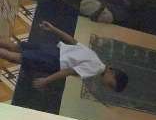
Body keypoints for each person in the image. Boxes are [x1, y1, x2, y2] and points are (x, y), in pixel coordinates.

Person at [0, 21, 128, 93]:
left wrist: (53, 28)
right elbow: (68, 71)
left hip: (53, 49)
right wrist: (46, 80)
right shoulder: (95, 69)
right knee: (15, 57)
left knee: (15, 47)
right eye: (110, 84)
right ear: (112, 72)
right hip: (53, 61)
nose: (107, 86)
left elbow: (72, 41)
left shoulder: (95, 57)